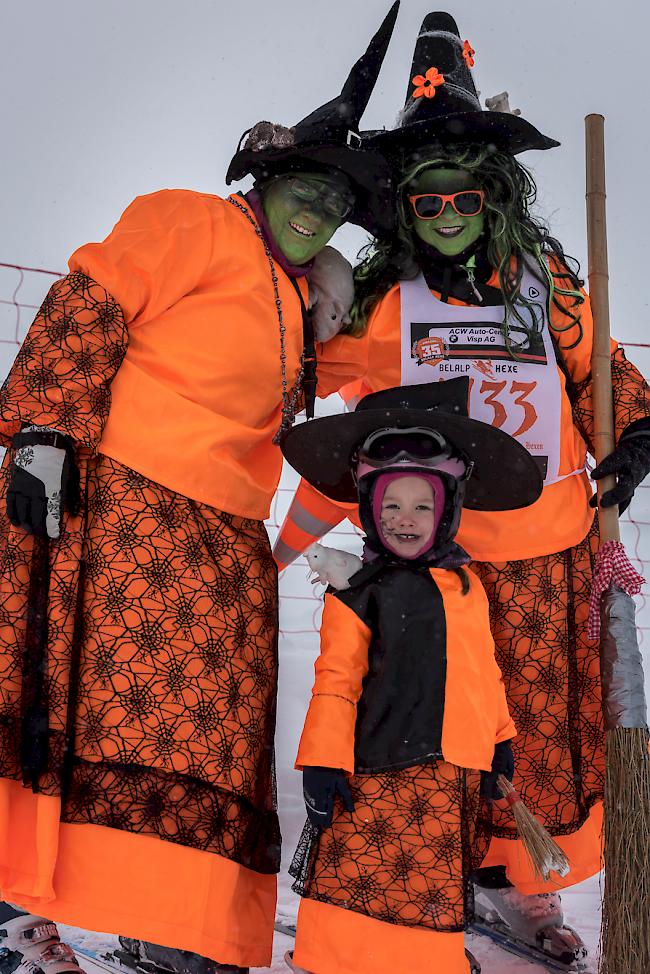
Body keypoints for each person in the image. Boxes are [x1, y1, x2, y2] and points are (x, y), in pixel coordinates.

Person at [0, 6, 400, 973]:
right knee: (76, 707)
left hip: (226, 541)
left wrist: (417, 275)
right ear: (266, 183)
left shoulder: (311, 300)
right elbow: (94, 292)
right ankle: (12, 915)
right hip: (124, 507)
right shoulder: (189, 221)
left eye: (334, 207)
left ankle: (172, 922)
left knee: (202, 743)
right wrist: (41, 431)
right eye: (304, 189)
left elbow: (391, 355)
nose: (315, 214)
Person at [273, 12, 650, 964]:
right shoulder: (384, 302)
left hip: (552, 553)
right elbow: (298, 375)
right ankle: (441, 884)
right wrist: (303, 272)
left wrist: (640, 426)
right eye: (428, 201)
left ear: (496, 198)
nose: (447, 216)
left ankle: (522, 893)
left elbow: (599, 370)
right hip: (439, 570)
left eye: (465, 198)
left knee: (541, 739)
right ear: (407, 208)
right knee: (445, 735)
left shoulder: (546, 281)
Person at [278, 377, 542, 974]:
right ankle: (335, 957)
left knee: (430, 879)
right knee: (362, 871)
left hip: (450, 768)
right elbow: (336, 683)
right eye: (390, 504)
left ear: (447, 509)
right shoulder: (358, 594)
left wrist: (500, 740)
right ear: (370, 509)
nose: (406, 518)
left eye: (423, 505)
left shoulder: (467, 585)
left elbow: (484, 668)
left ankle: (428, 959)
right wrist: (323, 761)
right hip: (373, 767)